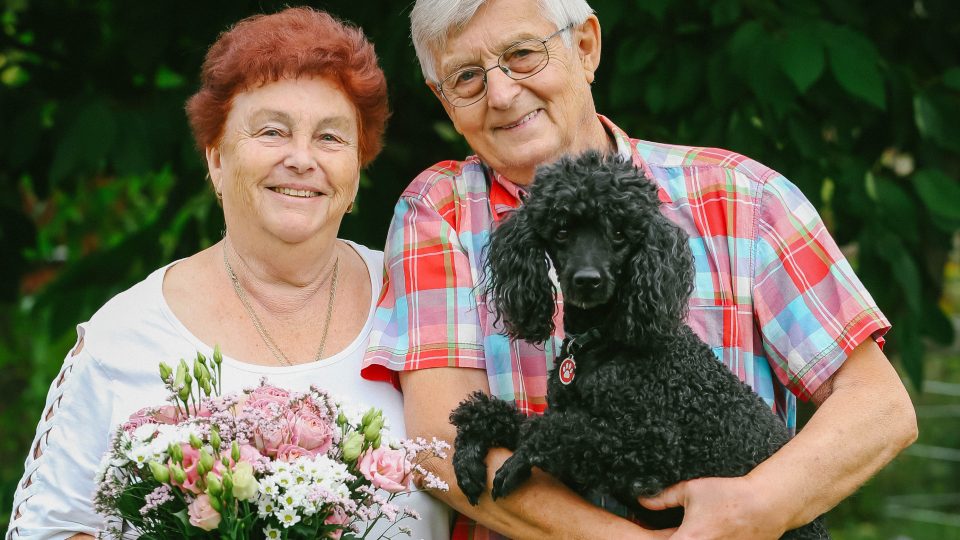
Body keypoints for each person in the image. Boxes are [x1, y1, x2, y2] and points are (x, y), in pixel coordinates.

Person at [361, 0, 918, 538]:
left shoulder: (745, 196)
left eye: (524, 54)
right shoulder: (439, 211)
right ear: (442, 99)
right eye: (467, 77)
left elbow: (879, 407)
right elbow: (437, 438)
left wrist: (757, 506)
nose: (502, 94)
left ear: (585, 46)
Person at [7, 8, 451, 540]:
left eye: (331, 138)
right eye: (272, 131)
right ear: (216, 159)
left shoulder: (422, 301)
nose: (302, 158)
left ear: (357, 171)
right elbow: (48, 529)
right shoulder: (123, 338)